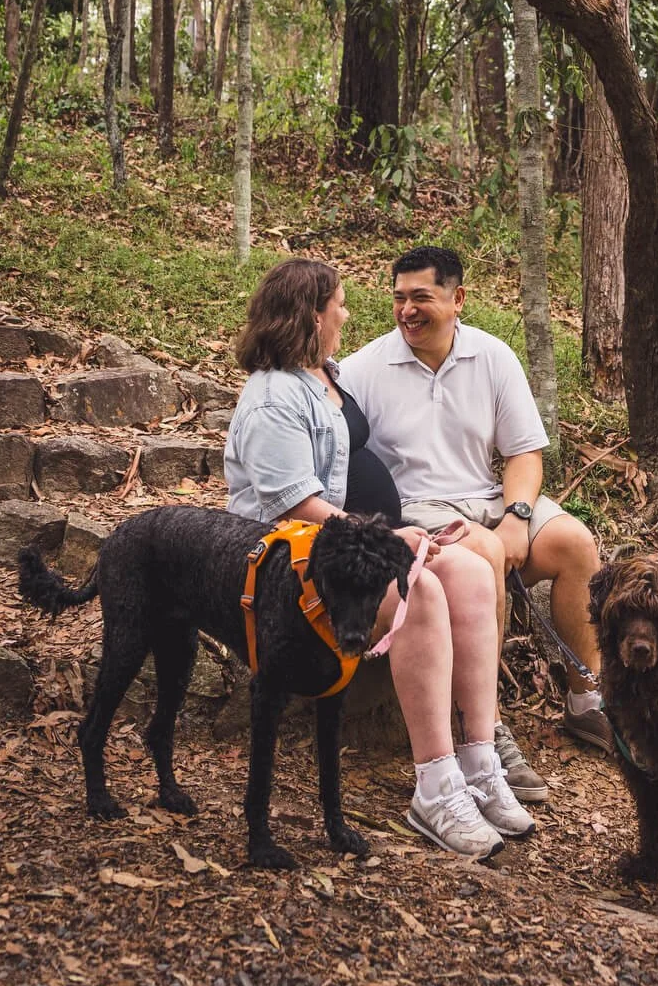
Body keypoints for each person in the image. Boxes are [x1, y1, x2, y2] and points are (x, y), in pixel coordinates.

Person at [224, 257, 535, 859]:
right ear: (311, 316)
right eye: (338, 304)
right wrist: (389, 539)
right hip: (290, 557)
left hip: (346, 542)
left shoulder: (323, 372)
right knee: (422, 591)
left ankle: (479, 761)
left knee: (471, 572)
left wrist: (398, 533)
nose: (347, 313)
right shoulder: (272, 396)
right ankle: (435, 787)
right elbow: (295, 504)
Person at [340, 244, 612, 805]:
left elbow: (524, 453)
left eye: (421, 297)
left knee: (574, 543)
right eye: (399, 298)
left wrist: (517, 516)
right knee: (485, 554)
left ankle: (586, 698)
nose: (407, 310)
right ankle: (484, 728)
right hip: (417, 508)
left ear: (457, 298)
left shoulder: (492, 356)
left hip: (488, 498)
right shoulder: (364, 368)